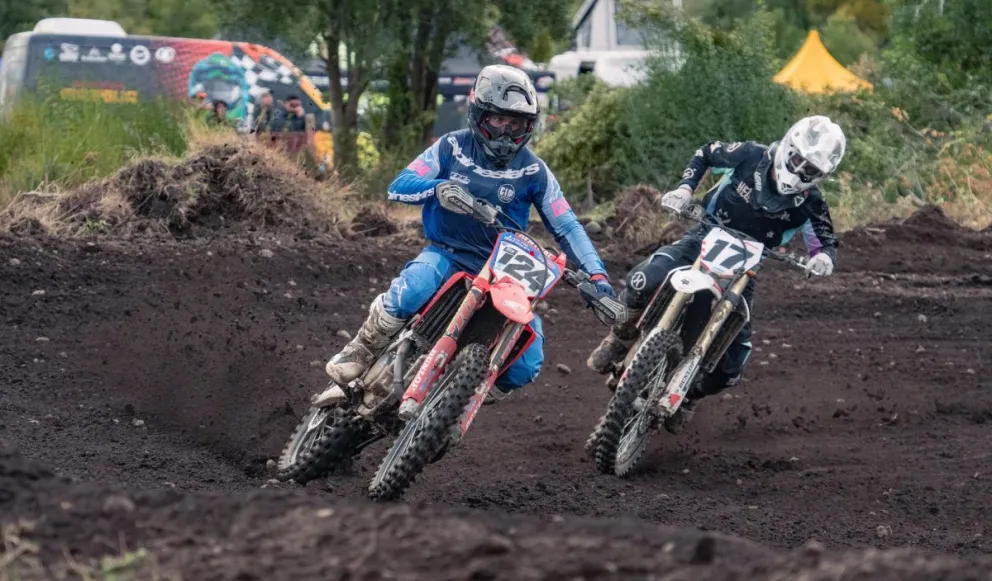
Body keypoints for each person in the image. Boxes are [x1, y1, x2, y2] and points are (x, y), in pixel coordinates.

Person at [323, 64, 616, 413]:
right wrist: (438, 188)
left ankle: (454, 407)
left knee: (527, 358)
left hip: (503, 272)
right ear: (479, 115)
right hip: (448, 253)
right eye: (499, 120)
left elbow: (567, 226)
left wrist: (597, 278)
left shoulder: (534, 170)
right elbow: (399, 185)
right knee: (415, 287)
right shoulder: (452, 147)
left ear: (529, 125)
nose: (506, 131)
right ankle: (362, 348)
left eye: (516, 124)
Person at [586, 115, 846, 433]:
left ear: (821, 176)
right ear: (788, 147)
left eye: (811, 170)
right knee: (643, 280)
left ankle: (690, 394)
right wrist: (685, 189)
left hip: (746, 268)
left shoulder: (811, 202)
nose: (800, 171)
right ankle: (621, 336)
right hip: (703, 236)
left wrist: (823, 259)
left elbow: (825, 240)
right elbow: (707, 153)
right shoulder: (751, 155)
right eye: (797, 160)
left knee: (733, 364)